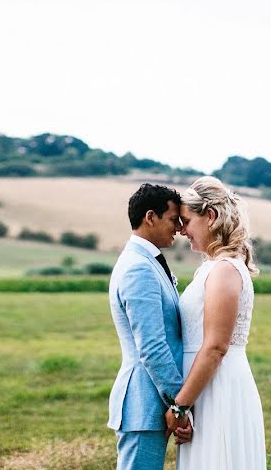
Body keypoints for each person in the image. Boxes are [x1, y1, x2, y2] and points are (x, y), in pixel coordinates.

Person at [174, 176, 267, 469]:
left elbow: (215, 347)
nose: (181, 230)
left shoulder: (225, 270)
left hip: (219, 389)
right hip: (203, 387)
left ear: (210, 216)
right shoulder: (212, 268)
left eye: (186, 220)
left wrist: (180, 406)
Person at [107, 183, 193, 470]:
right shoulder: (138, 267)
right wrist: (180, 402)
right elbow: (153, 346)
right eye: (173, 219)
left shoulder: (147, 260)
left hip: (151, 400)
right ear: (150, 217)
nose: (180, 228)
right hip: (143, 401)